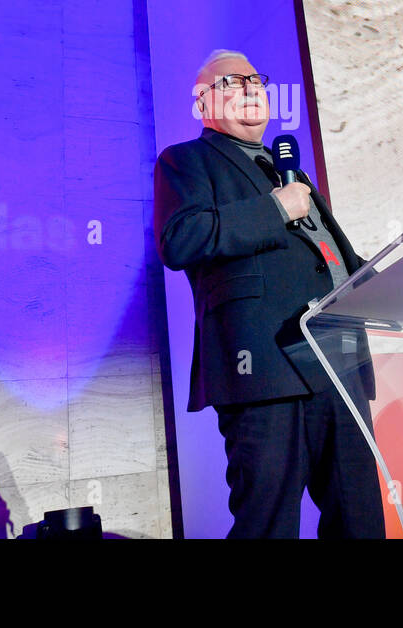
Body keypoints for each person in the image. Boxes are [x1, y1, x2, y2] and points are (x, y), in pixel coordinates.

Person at [153, 49, 383, 538]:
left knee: (360, 520)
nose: (253, 87)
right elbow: (181, 240)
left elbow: (331, 260)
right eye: (235, 81)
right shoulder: (186, 161)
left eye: (258, 79)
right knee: (268, 524)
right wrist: (274, 209)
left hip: (338, 365)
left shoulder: (291, 173)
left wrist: (392, 279)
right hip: (261, 368)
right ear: (202, 102)